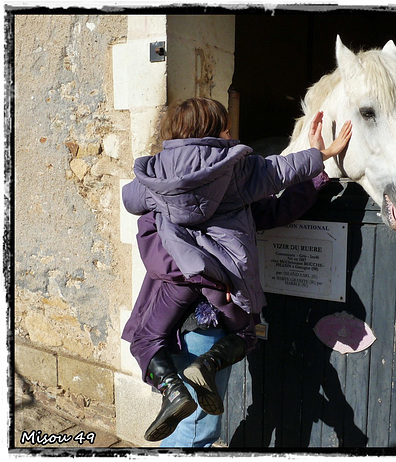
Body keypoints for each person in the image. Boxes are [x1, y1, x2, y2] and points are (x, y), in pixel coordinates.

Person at [121, 97, 352, 442]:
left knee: (185, 406)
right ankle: (202, 370)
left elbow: (132, 202)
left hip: (168, 307)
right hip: (207, 316)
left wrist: (313, 178)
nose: (232, 133)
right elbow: (278, 172)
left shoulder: (157, 176)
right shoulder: (237, 172)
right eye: (227, 127)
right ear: (216, 131)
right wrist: (322, 156)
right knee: (197, 426)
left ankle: (175, 388)